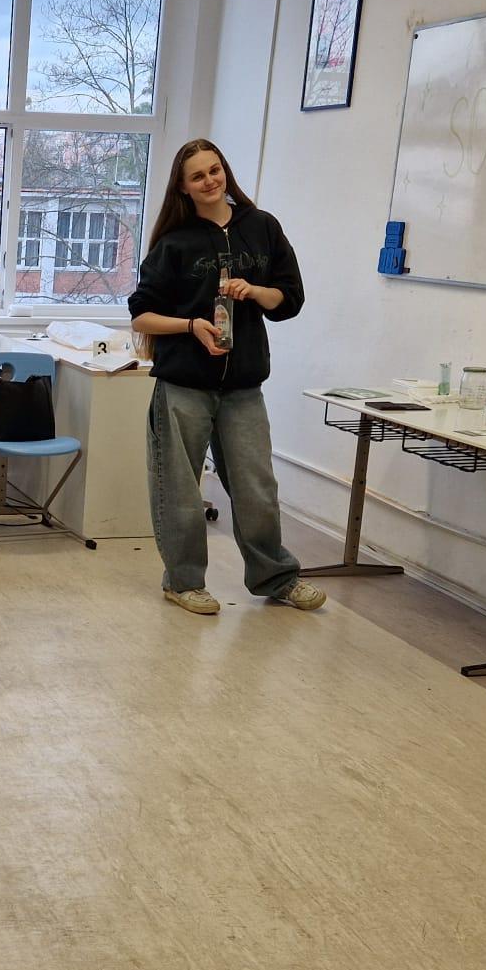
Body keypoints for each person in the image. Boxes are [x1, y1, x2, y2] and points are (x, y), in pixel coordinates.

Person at [128, 138, 324, 617]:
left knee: (258, 489)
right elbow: (141, 315)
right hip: (183, 386)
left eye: (214, 170)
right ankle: (183, 582)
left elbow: (289, 299)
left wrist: (255, 291)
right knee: (180, 491)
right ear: (183, 187)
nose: (209, 181)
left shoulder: (262, 227)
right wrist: (191, 326)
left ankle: (276, 577)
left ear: (225, 172)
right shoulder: (174, 243)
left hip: (243, 387)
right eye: (197, 176)